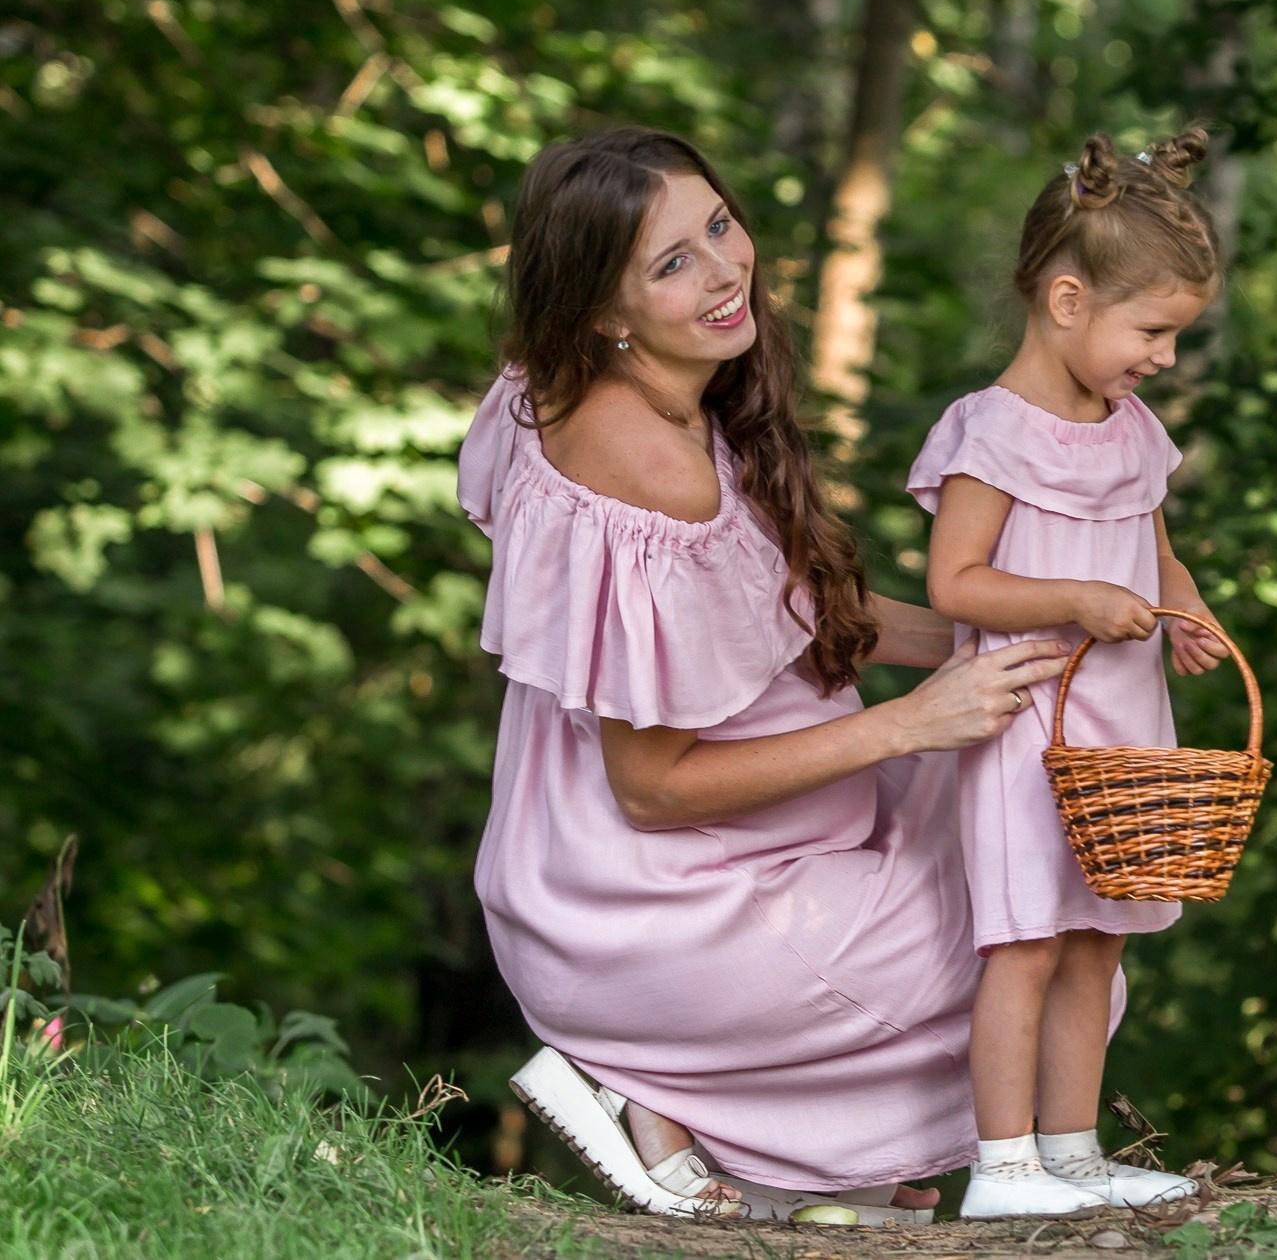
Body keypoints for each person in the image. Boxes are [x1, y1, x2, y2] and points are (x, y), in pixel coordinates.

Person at [456, 126, 1071, 1223]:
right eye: (671, 264)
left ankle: (720, 1131)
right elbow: (651, 787)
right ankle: (658, 1083)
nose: (726, 270)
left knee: (1012, 829)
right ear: (604, 312)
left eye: (720, 226)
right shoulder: (651, 473)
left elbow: (793, 618)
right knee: (1029, 920)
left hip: (649, 861)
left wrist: (1022, 632)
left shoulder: (565, 386)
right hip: (659, 904)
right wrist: (908, 726)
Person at [908, 129, 1226, 1219]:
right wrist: (1076, 602)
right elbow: (957, 583)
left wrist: (1179, 600)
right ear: (1067, 298)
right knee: (1026, 941)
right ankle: (1001, 1167)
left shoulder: (1133, 433)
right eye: (1154, 331)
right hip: (1024, 725)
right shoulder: (989, 433)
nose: (1164, 358)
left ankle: (1074, 1152)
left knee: (1097, 943)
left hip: (1122, 728)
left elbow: (1155, 546)